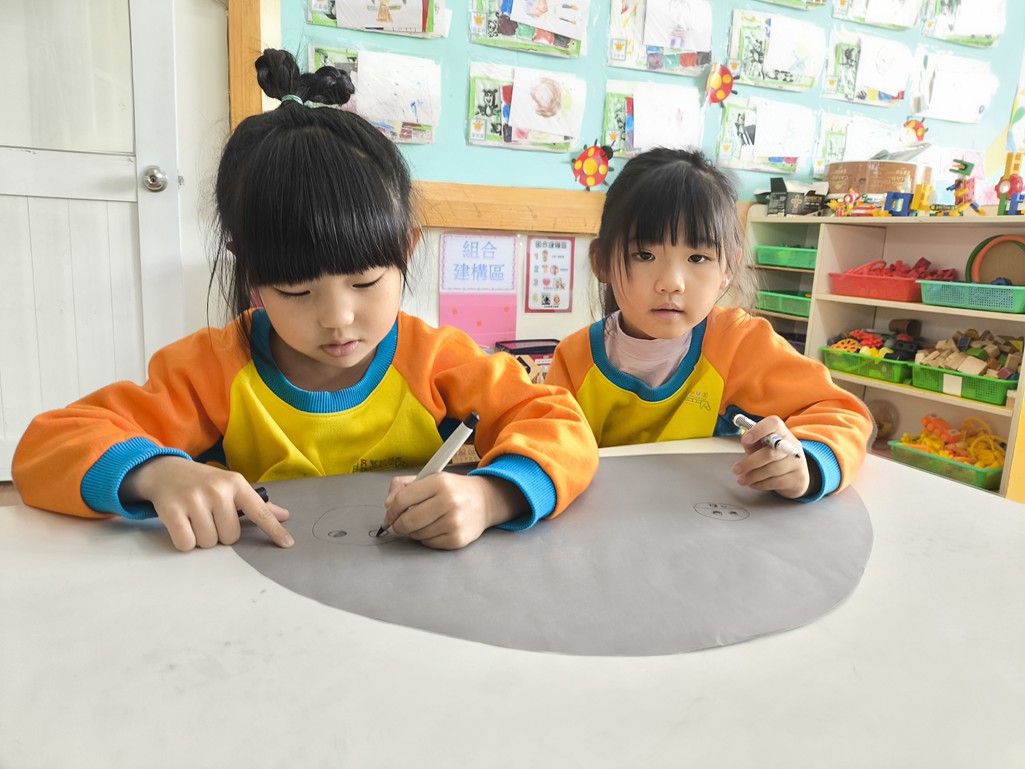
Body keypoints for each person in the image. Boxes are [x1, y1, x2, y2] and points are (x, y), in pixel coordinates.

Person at [12, 49, 598, 552]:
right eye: (295, 291)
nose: (338, 318)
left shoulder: (436, 359)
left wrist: (492, 495)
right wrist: (154, 473)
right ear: (254, 278)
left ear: (406, 248)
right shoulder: (213, 369)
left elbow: (562, 425)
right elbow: (45, 447)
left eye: (365, 283)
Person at [546, 148, 873, 501]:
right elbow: (545, 447)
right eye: (644, 255)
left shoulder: (738, 344)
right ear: (601, 262)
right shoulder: (575, 359)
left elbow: (842, 413)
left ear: (727, 268)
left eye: (698, 257)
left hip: (715, 522)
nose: (672, 283)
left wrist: (807, 463)